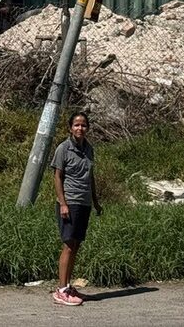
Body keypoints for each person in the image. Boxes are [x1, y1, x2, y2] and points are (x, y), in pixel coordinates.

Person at [51, 111, 101, 307]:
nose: (80, 128)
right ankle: (61, 289)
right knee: (68, 245)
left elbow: (91, 177)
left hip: (84, 202)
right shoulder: (63, 149)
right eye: (77, 125)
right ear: (70, 128)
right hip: (69, 201)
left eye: (84, 125)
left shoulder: (89, 149)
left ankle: (68, 285)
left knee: (77, 244)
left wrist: (95, 201)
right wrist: (63, 203)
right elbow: (57, 177)